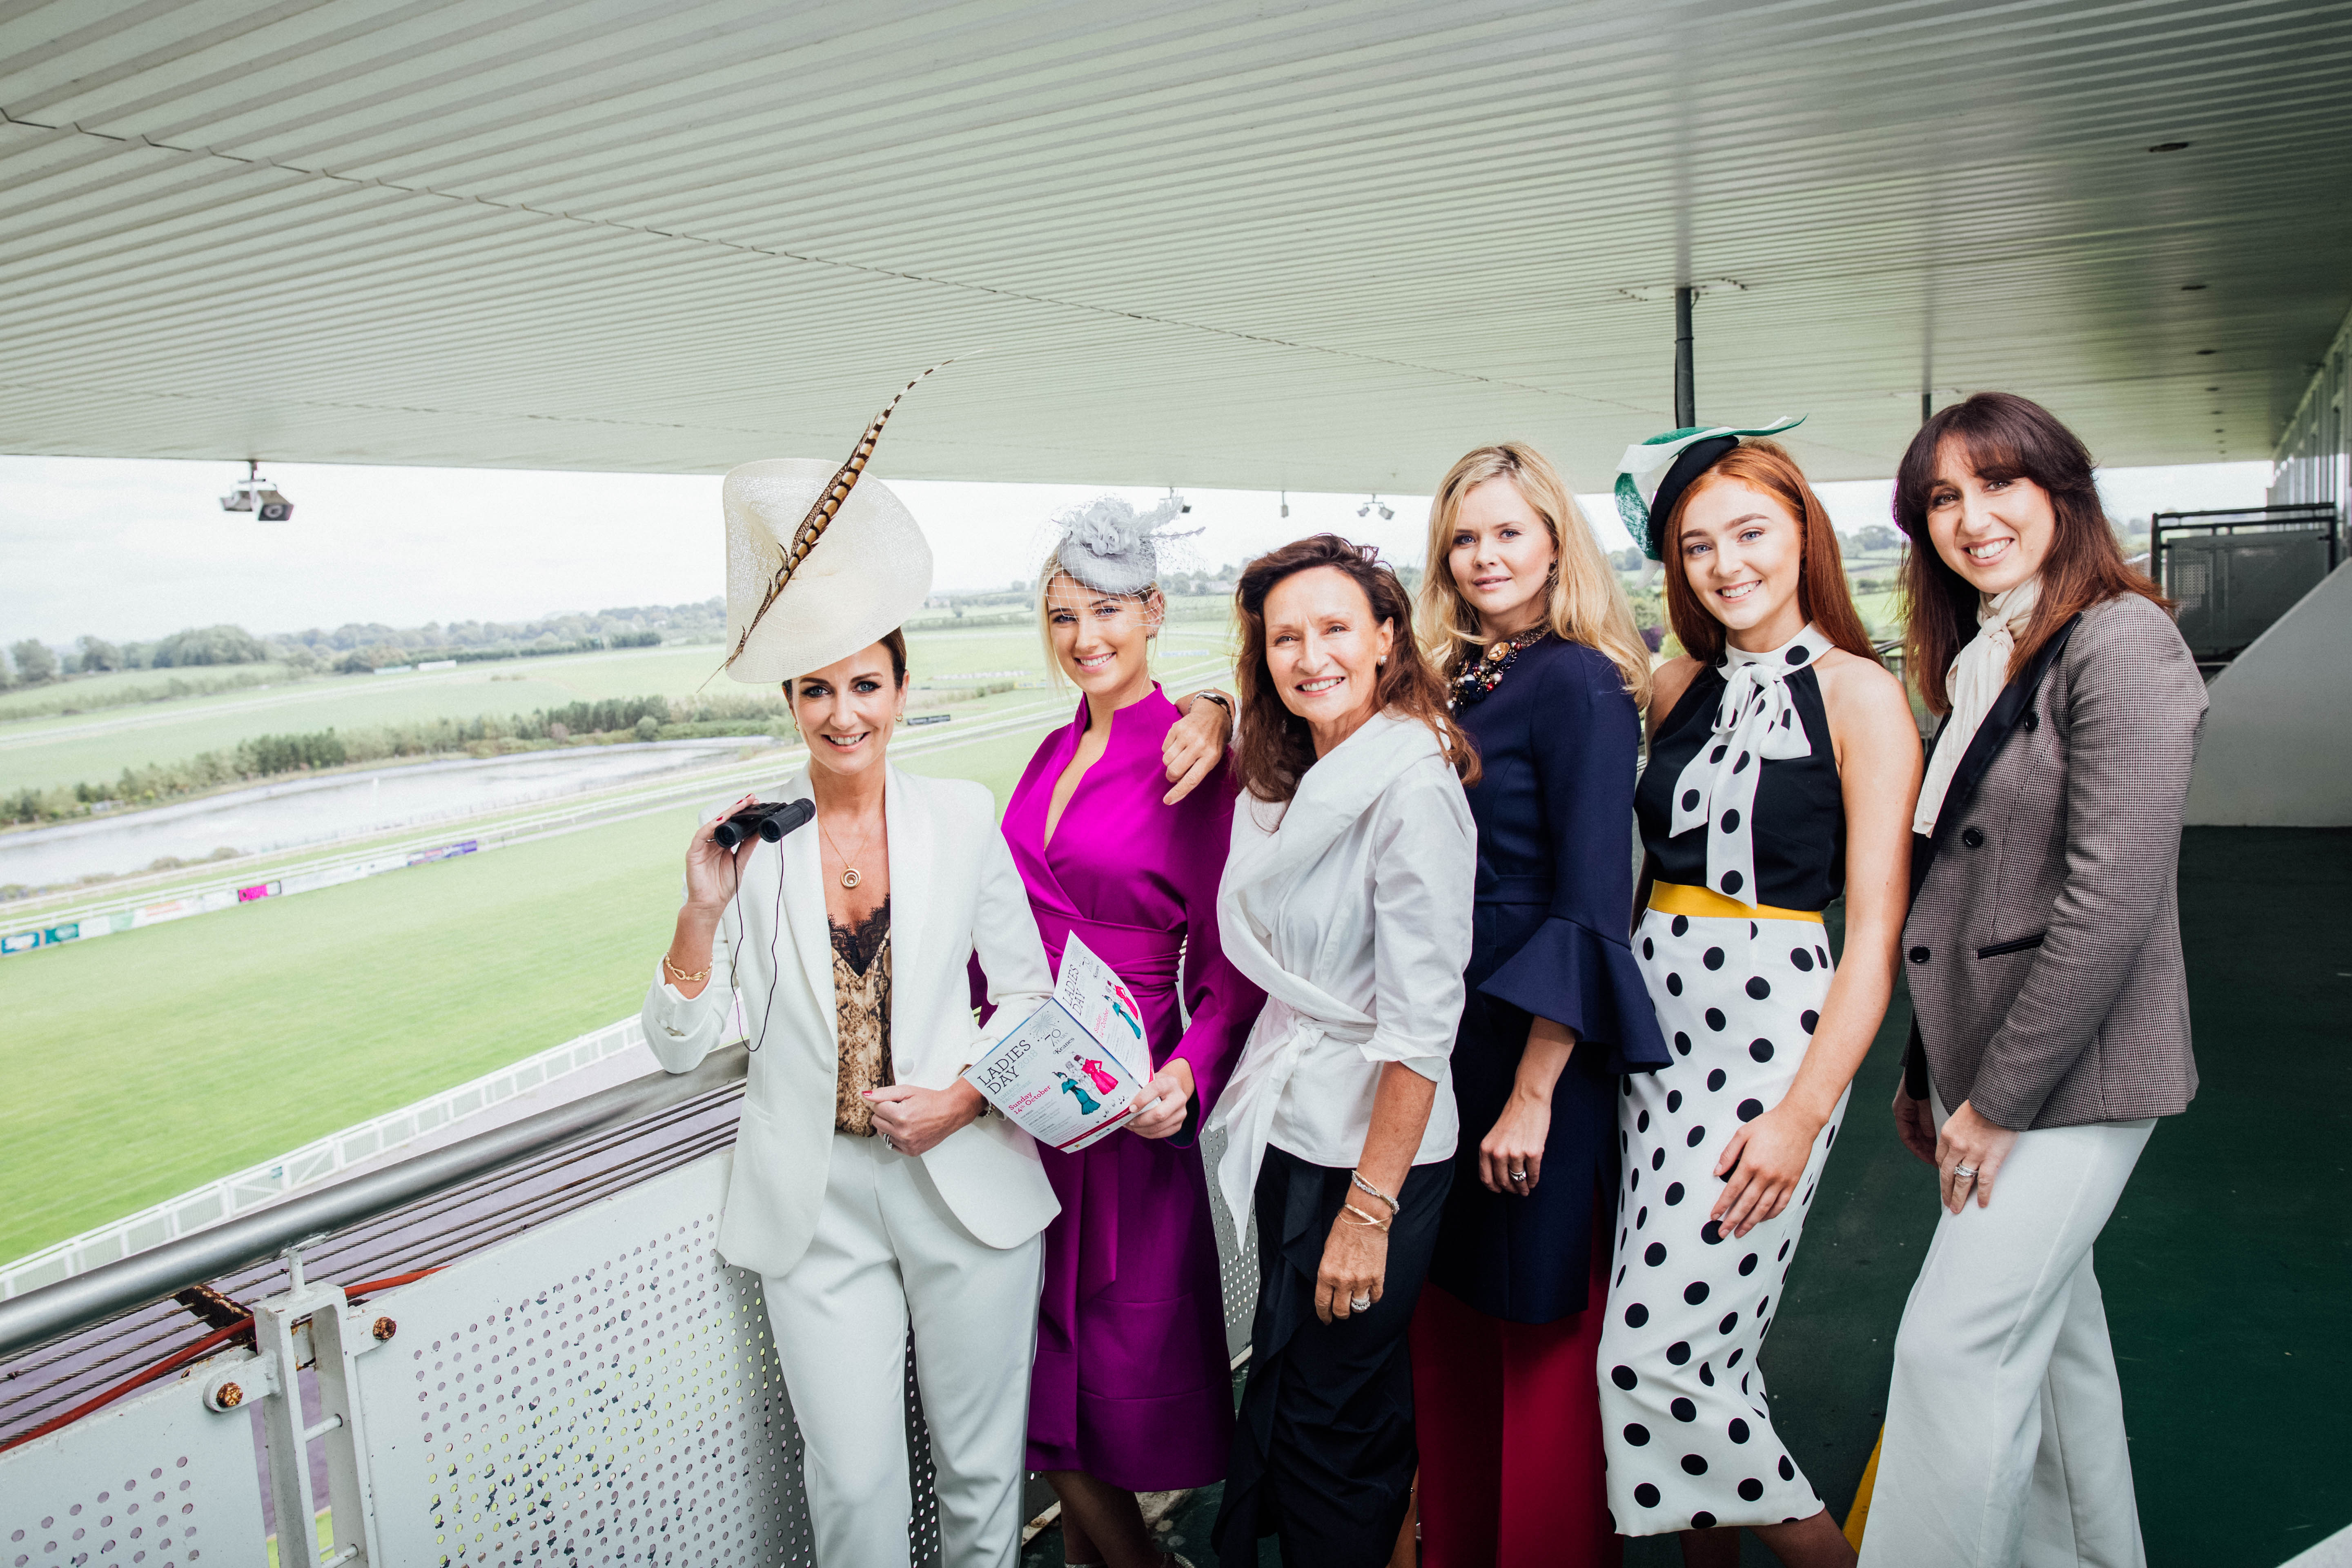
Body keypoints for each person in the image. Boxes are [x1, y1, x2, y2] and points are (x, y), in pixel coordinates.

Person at [641, 448, 1059, 1568]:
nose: (843, 712)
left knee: (980, 1475)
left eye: (866, 684)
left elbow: (1027, 997)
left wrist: (965, 1099)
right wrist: (697, 912)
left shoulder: (964, 819)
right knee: (857, 1487)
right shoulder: (750, 848)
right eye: (818, 689)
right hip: (812, 1206)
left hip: (964, 1185)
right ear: (791, 703)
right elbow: (677, 1046)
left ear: (902, 692)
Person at [1861, 393, 2205, 1568]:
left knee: (1954, 1351)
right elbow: (1958, 891)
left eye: (1998, 484)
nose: (1972, 517)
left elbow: (2110, 901)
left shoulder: (2123, 639)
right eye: (1942, 500)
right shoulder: (1984, 656)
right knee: (2055, 1358)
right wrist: (1925, 1071)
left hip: (2074, 1078)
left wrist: (1997, 1101)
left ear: (2062, 491)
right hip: (1988, 1072)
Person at [1597, 423, 1920, 1567]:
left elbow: (1874, 934)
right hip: (1649, 1035)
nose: (1726, 564)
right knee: (1712, 1354)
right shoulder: (1675, 681)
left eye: (1751, 533)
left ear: (1802, 535)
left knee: (1653, 1357)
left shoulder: (1862, 698)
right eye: (1696, 547)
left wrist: (1799, 1113)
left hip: (1770, 1040)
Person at [985, 496, 1265, 1568]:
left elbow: (1232, 965)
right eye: (1062, 617)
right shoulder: (1047, 754)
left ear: (1153, 611)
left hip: (1129, 1097)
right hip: (1025, 1095)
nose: (1084, 639)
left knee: (1100, 1375)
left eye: (1106, 612)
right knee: (1035, 1369)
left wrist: (1188, 1077)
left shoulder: (1196, 759)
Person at [1408, 442, 1670, 1568]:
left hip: (1532, 1039)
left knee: (1539, 1323)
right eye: (1465, 537)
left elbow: (1592, 900)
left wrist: (1533, 1097)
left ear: (1557, 541)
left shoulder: (1579, 679)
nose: (1485, 556)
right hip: (1447, 1027)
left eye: (1509, 531)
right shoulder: (1457, 676)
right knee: (1453, 1315)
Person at [1207, 534, 1479, 1568]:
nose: (1309, 654)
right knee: (1296, 1389)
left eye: (1334, 628)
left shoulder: (1411, 787)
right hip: (1300, 1123)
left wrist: (1370, 1212)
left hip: (1381, 1156)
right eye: (1285, 636)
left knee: (1333, 1418)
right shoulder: (1291, 777)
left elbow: (1421, 1027)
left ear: (1385, 640)